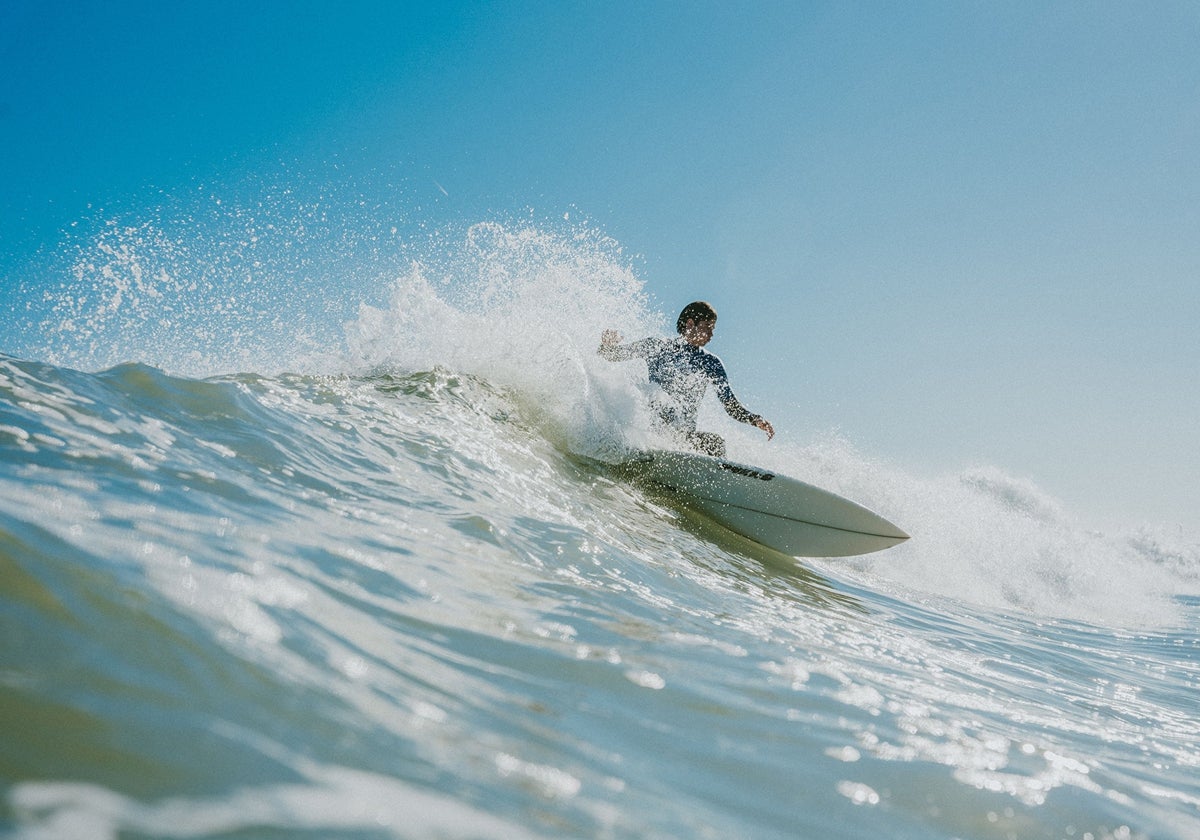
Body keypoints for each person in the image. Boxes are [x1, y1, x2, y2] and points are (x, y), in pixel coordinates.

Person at [598, 301, 774, 458]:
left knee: (714, 443)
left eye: (713, 328)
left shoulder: (711, 363)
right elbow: (612, 355)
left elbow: (730, 405)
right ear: (690, 324)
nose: (711, 333)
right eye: (708, 326)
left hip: (682, 440)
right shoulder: (658, 346)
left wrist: (754, 419)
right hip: (651, 435)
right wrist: (607, 344)